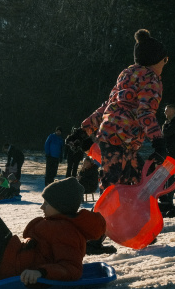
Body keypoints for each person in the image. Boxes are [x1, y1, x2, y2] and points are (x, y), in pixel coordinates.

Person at [68, 29, 169, 190]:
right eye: (165, 59)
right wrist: (158, 142)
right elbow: (145, 113)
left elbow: (107, 107)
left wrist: (83, 131)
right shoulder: (151, 79)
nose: (165, 62)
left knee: (132, 180)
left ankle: (124, 212)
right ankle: (107, 213)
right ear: (155, 60)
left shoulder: (126, 76)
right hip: (126, 138)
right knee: (120, 184)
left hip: (109, 135)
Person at [158, 104, 175, 208]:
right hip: (173, 152)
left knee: (168, 175)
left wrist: (165, 125)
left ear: (172, 111)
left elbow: (166, 133)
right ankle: (167, 197)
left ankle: (168, 198)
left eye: (166, 111)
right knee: (167, 175)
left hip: (173, 153)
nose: (165, 113)